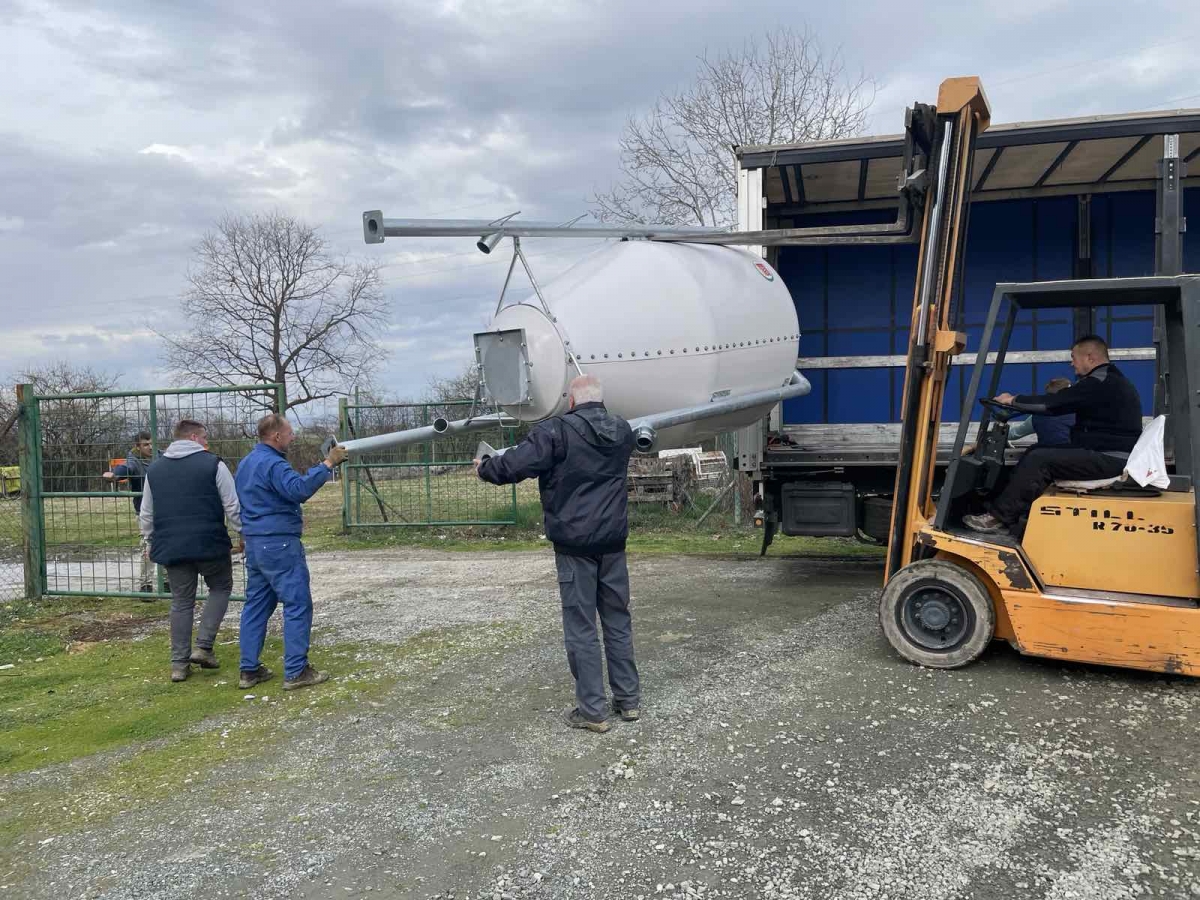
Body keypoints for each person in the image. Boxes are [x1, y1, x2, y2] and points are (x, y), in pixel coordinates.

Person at [475, 374, 640, 734]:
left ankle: (593, 711)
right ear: (600, 399)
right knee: (617, 620)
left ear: (571, 401)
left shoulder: (556, 432)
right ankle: (628, 701)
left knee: (581, 627)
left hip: (575, 545)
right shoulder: (623, 430)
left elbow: (516, 465)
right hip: (613, 543)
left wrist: (485, 468)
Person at [964, 335, 1143, 537]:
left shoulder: (1099, 382)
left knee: (1039, 459)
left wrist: (1013, 400)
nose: (1071, 363)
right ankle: (1012, 511)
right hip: (1104, 452)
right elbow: (1058, 404)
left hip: (1109, 457)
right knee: (1036, 451)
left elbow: (1051, 405)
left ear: (1090, 357)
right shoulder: (1107, 380)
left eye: (1074, 357)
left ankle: (1000, 518)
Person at [235, 413, 348, 691]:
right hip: (280, 544)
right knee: (297, 603)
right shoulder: (273, 464)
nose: (293, 437)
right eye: (289, 433)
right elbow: (298, 489)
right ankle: (296, 671)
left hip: (255, 543)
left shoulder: (247, 463)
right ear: (276, 437)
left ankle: (249, 670)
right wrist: (328, 463)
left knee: (256, 605)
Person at [139, 420, 242, 682]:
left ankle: (178, 664)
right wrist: (244, 533)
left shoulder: (155, 470)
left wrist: (149, 541)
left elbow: (147, 512)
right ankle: (204, 646)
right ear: (194, 437)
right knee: (220, 587)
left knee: (181, 601)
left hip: (171, 545)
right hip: (210, 543)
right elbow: (232, 505)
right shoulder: (214, 464)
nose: (208, 442)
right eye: (205, 437)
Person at [103, 431, 156, 594]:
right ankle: (146, 584)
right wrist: (115, 474)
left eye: (151, 443)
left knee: (169, 543)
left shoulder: (161, 456)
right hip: (144, 511)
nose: (150, 447)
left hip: (166, 508)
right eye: (146, 444)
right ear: (137, 446)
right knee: (148, 545)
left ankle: (167, 581)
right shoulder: (134, 461)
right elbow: (125, 468)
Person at [964, 376, 1074, 454]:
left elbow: (1014, 434)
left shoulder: (1036, 416)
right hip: (1074, 456)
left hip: (1049, 457)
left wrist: (981, 441)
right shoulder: (1079, 412)